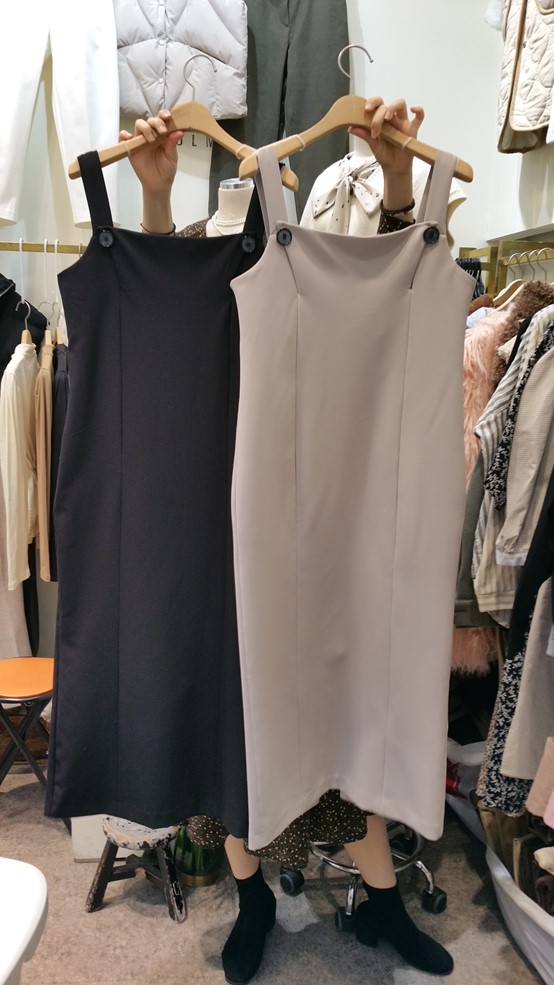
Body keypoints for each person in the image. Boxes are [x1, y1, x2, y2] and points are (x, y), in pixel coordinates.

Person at [119, 98, 454, 982]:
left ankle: (382, 903)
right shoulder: (211, 238)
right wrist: (155, 197)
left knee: (345, 705)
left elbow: (392, 295)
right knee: (233, 725)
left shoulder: (309, 238)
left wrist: (395, 178)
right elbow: (160, 301)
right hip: (210, 501)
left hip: (308, 502)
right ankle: (254, 901)